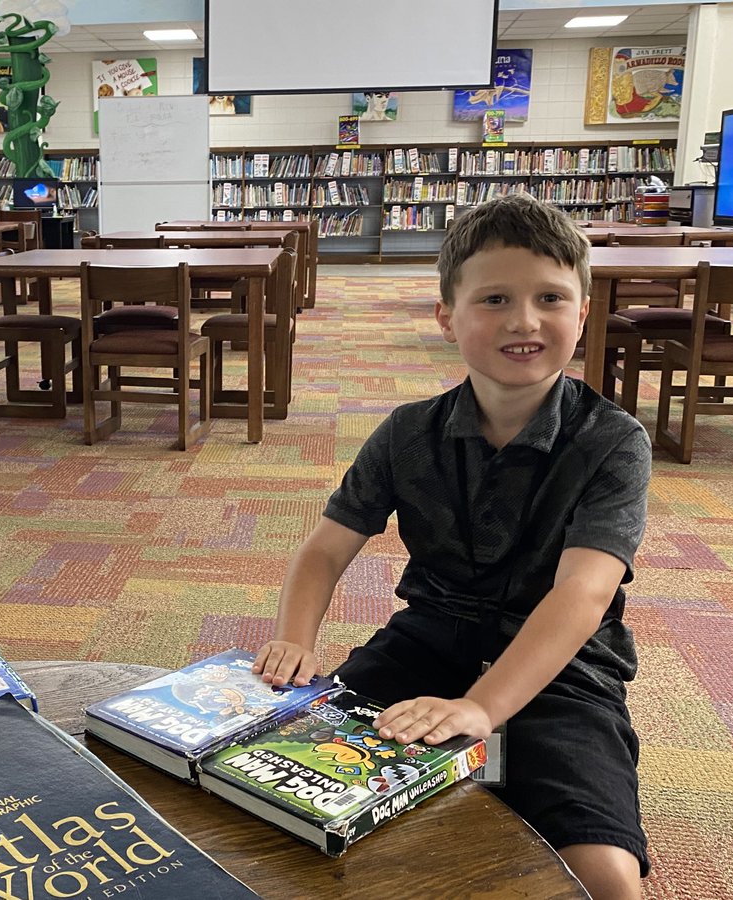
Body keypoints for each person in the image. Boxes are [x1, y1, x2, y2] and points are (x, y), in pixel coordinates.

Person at [253, 194, 650, 900]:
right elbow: (324, 551)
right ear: (446, 317)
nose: (524, 321)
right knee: (280, 791)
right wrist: (294, 638)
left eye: (551, 298)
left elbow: (582, 594)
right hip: (426, 644)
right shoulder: (408, 432)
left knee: (605, 875)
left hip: (561, 669)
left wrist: (482, 710)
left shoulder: (613, 442)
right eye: (495, 299)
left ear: (583, 313)